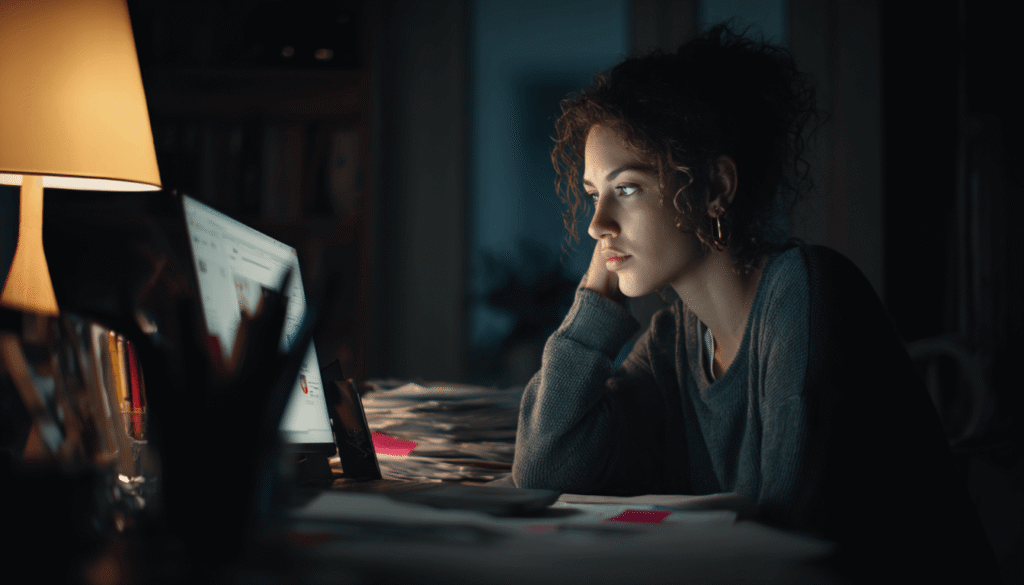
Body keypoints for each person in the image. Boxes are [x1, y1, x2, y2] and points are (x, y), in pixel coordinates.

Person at [510, 25, 998, 582]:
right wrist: (594, 300)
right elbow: (546, 468)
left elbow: (784, 543)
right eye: (595, 195)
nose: (597, 225)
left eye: (627, 189)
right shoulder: (676, 338)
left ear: (715, 187)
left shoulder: (806, 291)